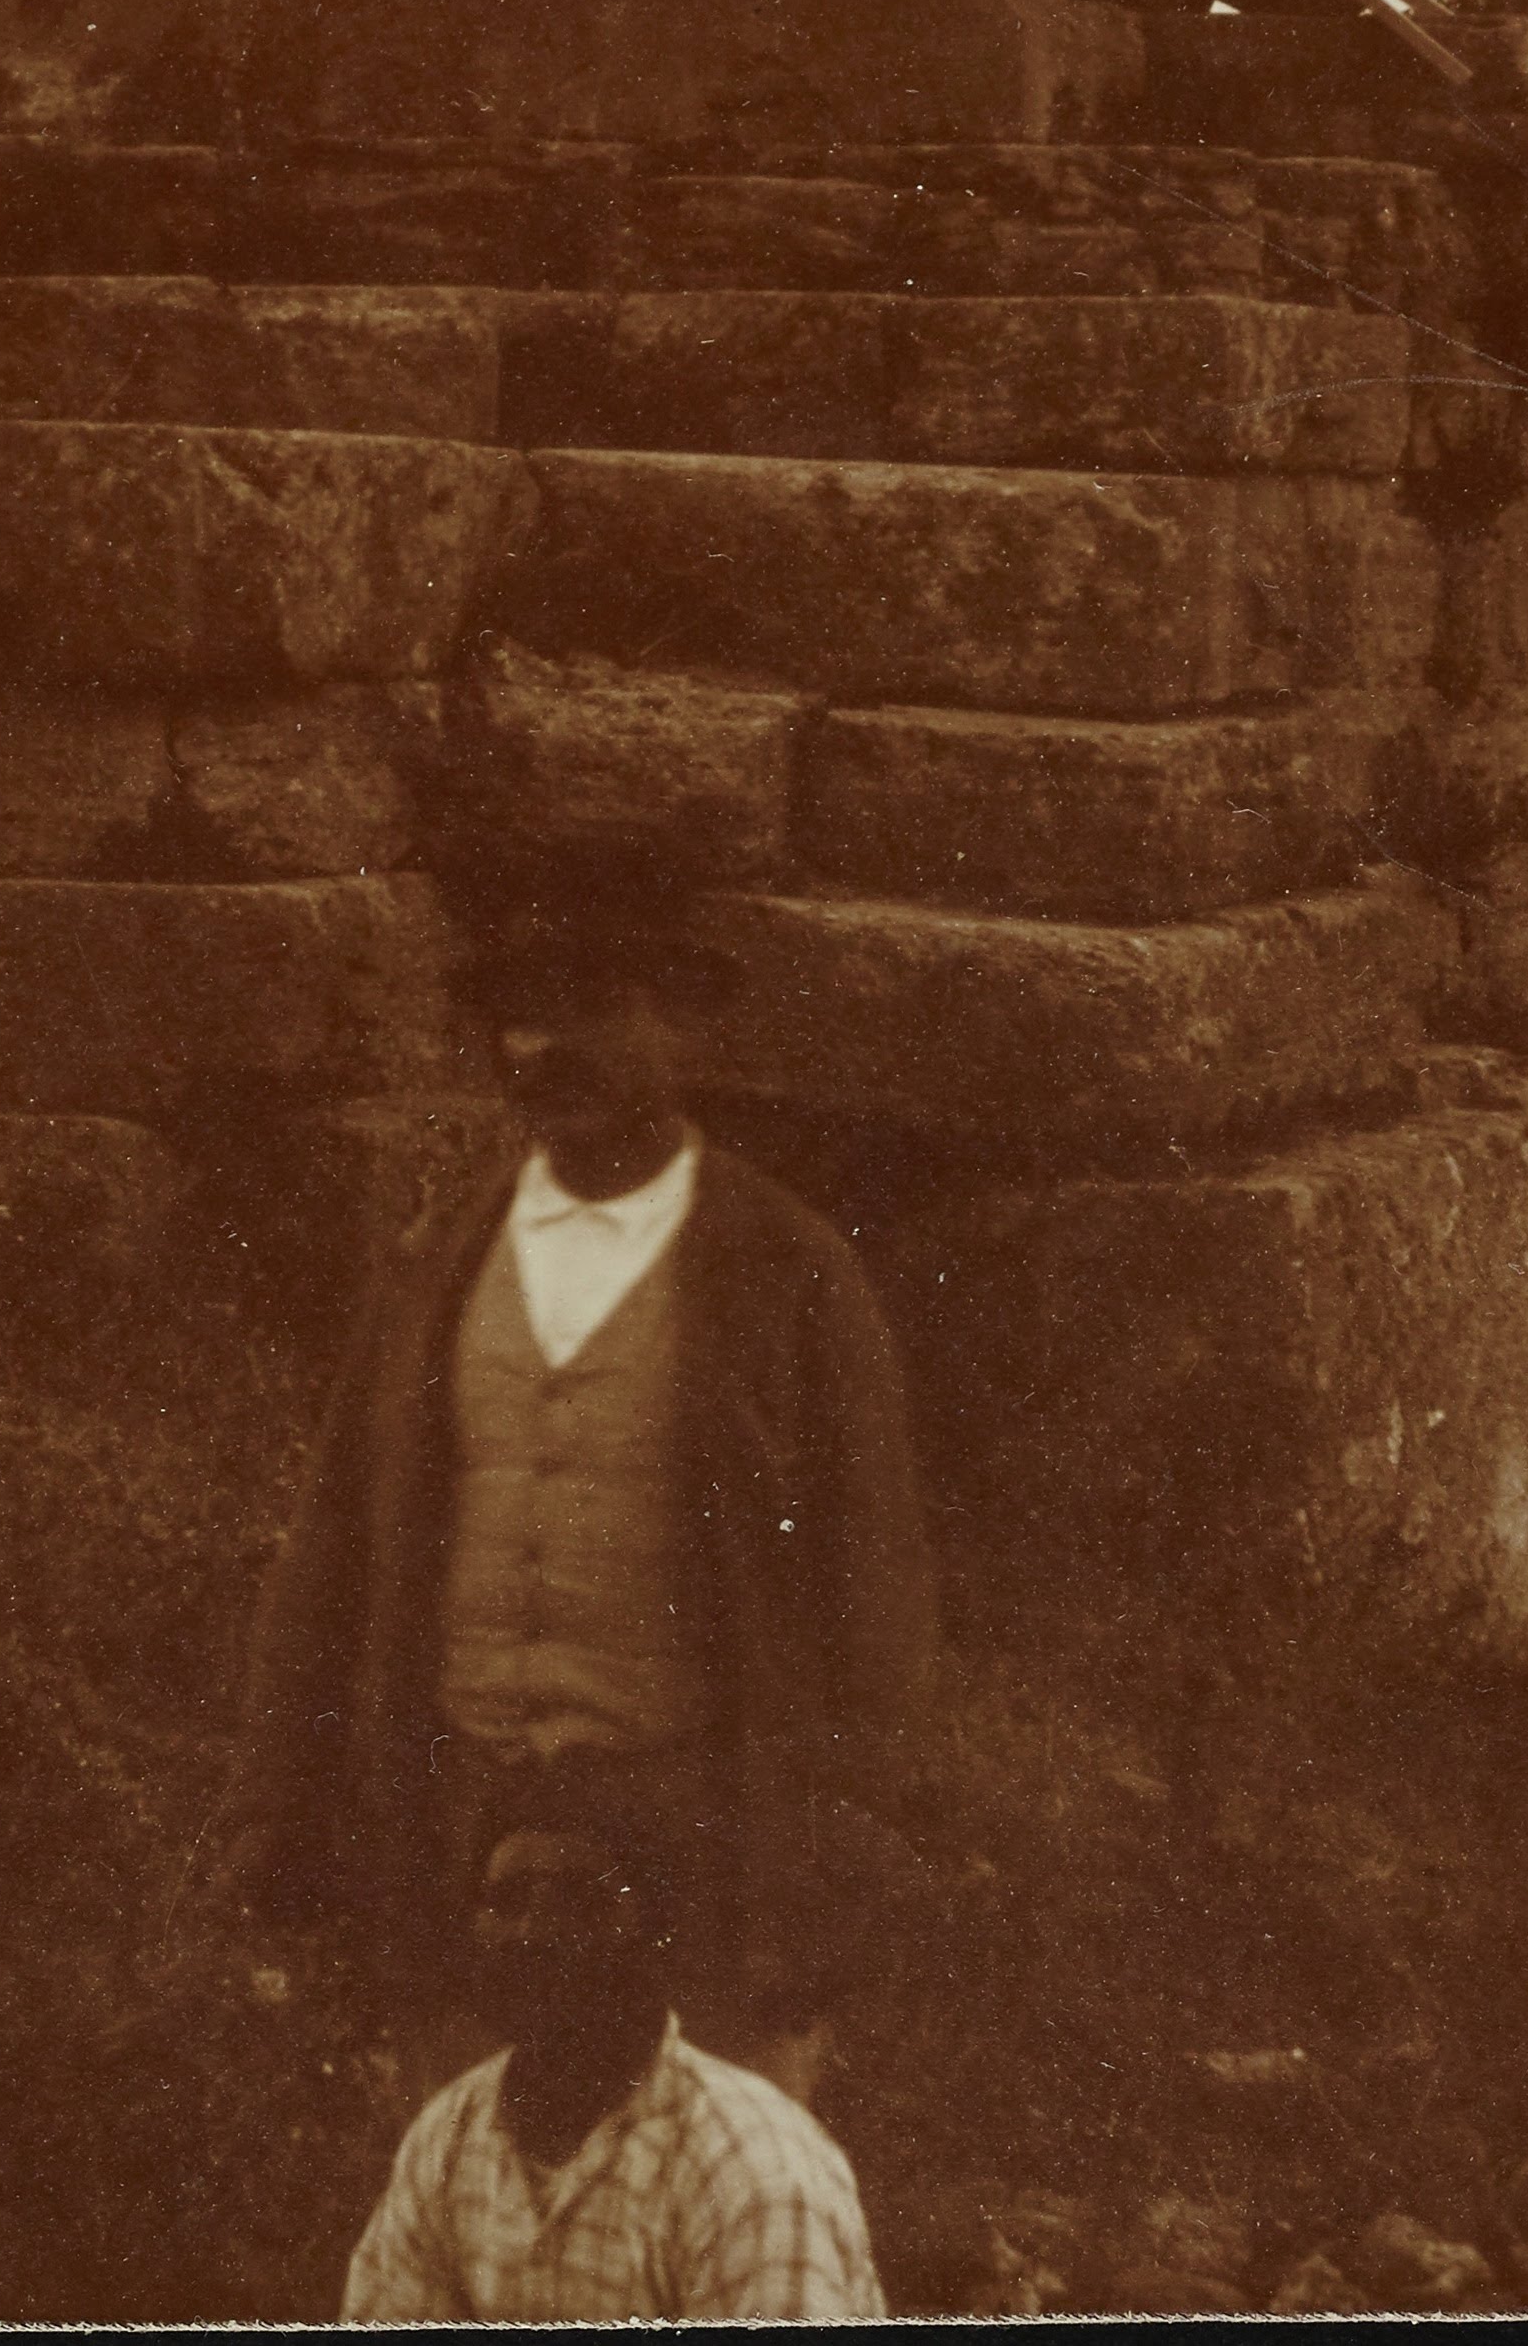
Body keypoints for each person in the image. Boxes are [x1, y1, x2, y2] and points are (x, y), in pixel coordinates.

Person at [239, 865, 935, 2084]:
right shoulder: (433, 1263)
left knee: (710, 2205)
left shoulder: (789, 1272)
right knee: (478, 2200)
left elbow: (869, 1594)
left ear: (683, 1022)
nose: (545, 1042)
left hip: (701, 1836)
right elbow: (333, 1551)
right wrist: (277, 1814)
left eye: (592, 1006)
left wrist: (832, 1869)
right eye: (517, 1012)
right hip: (467, 1825)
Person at [340, 1809, 885, 2323]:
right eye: (508, 1900)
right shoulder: (450, 2135)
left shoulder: (747, 2164)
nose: (535, 1931)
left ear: (655, 1939)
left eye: (582, 1901)